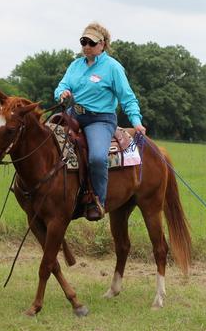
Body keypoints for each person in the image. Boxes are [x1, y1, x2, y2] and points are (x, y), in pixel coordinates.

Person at [54, 22, 146, 221]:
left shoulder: (113, 67)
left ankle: (97, 200)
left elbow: (127, 98)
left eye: (91, 43)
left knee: (97, 157)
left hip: (100, 120)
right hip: (72, 115)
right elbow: (61, 86)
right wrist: (62, 93)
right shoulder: (75, 65)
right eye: (83, 42)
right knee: (43, 140)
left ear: (102, 44)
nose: (86, 46)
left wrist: (136, 122)